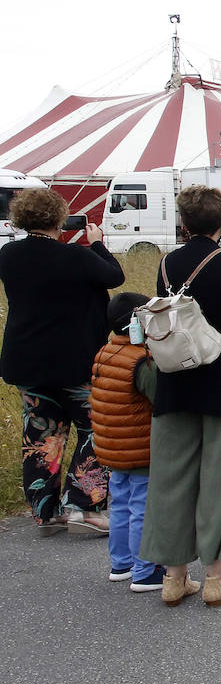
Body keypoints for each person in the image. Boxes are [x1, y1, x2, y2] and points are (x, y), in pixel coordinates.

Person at [141, 185, 221, 607]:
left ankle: (173, 578)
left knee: (171, 476)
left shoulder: (166, 263)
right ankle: (218, 578)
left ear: (183, 222)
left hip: (175, 377)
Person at [0, 187, 124, 534]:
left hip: (27, 360)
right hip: (74, 360)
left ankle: (45, 512)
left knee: (42, 435)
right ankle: (83, 504)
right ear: (59, 219)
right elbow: (114, 276)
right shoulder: (76, 257)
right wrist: (97, 243)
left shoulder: (8, 255)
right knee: (95, 428)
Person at [90, 292, 162, 591]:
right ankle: (145, 570)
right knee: (142, 507)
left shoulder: (105, 352)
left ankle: (121, 563)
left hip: (111, 446)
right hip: (139, 446)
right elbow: (160, 398)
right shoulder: (140, 361)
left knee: (120, 503)